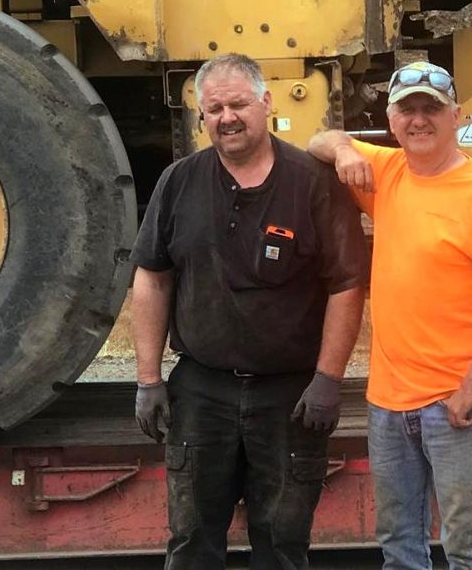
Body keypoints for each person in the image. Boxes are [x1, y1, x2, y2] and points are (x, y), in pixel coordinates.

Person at [130, 53, 368, 570]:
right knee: (191, 543)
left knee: (282, 543)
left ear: (265, 103)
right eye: (213, 108)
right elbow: (152, 277)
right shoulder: (178, 182)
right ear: (201, 117)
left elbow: (347, 285)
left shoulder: (313, 183)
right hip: (200, 391)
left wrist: (328, 380)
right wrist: (149, 378)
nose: (226, 118)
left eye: (237, 103)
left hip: (289, 396)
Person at [308, 61, 472, 570]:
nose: (418, 120)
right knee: (399, 547)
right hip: (387, 405)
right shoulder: (386, 173)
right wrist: (346, 149)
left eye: (430, 109)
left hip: (456, 406)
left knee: (467, 549)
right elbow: (317, 140)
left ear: (456, 115)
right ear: (390, 119)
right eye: (407, 109)